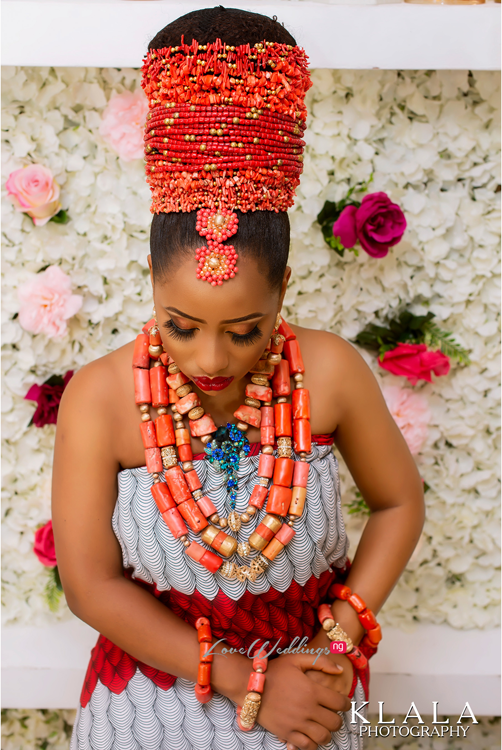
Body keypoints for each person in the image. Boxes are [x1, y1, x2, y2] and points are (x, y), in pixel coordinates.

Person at [52, 7, 425, 750]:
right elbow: (90, 583)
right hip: (149, 693)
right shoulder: (99, 398)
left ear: (283, 288)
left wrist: (334, 646)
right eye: (180, 325)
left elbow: (398, 503)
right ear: (151, 286)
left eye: (245, 329)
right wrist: (245, 681)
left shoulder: (331, 371)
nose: (212, 359)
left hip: (309, 691)